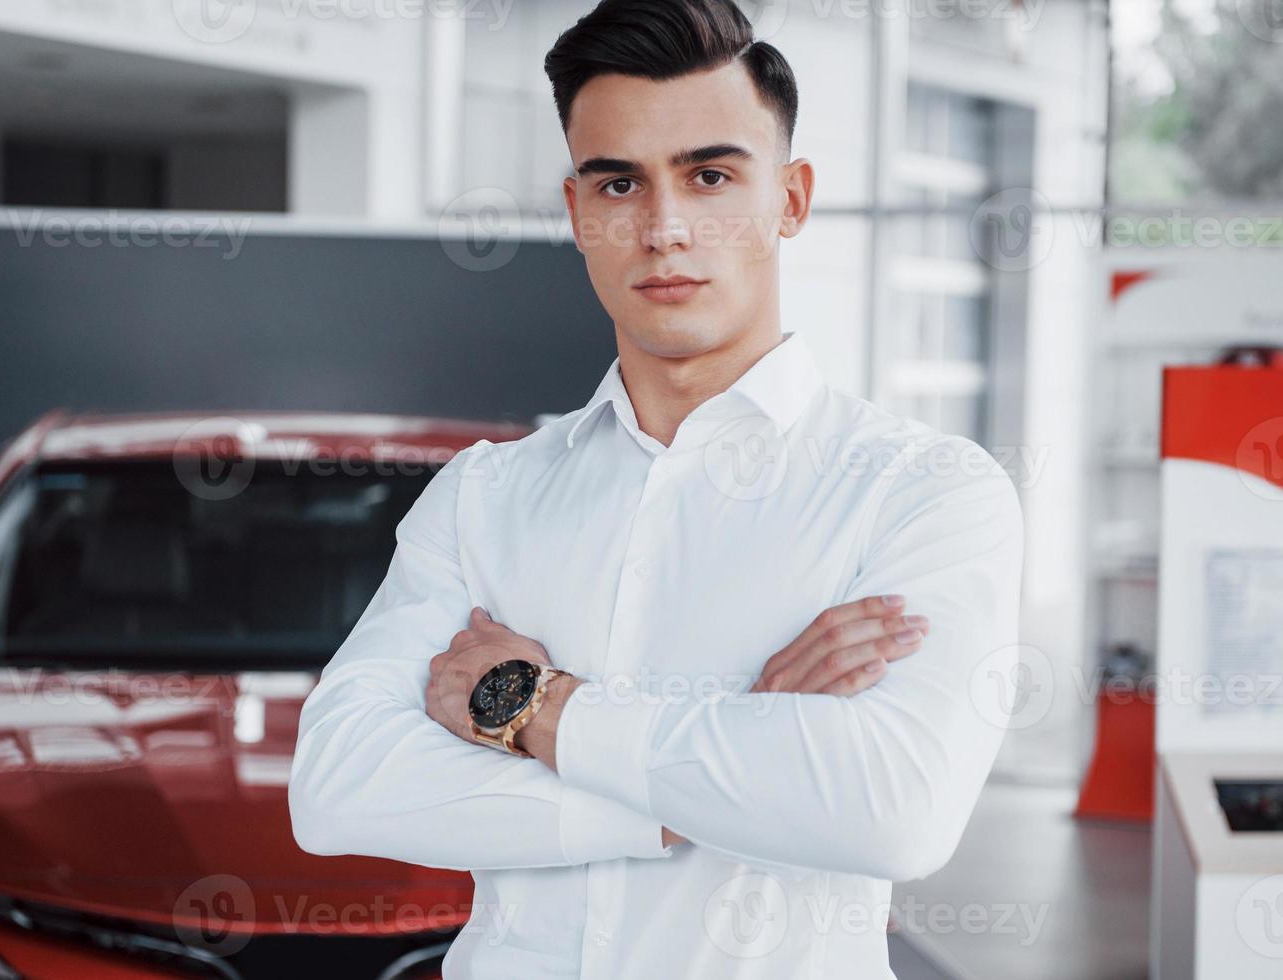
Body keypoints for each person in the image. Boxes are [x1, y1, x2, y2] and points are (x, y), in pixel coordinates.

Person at [289, 1, 1025, 976]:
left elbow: (893, 809)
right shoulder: (485, 493)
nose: (663, 227)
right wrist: (725, 770)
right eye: (617, 182)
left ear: (790, 200)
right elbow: (338, 785)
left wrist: (530, 708)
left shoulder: (921, 489)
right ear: (575, 211)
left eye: (710, 176)